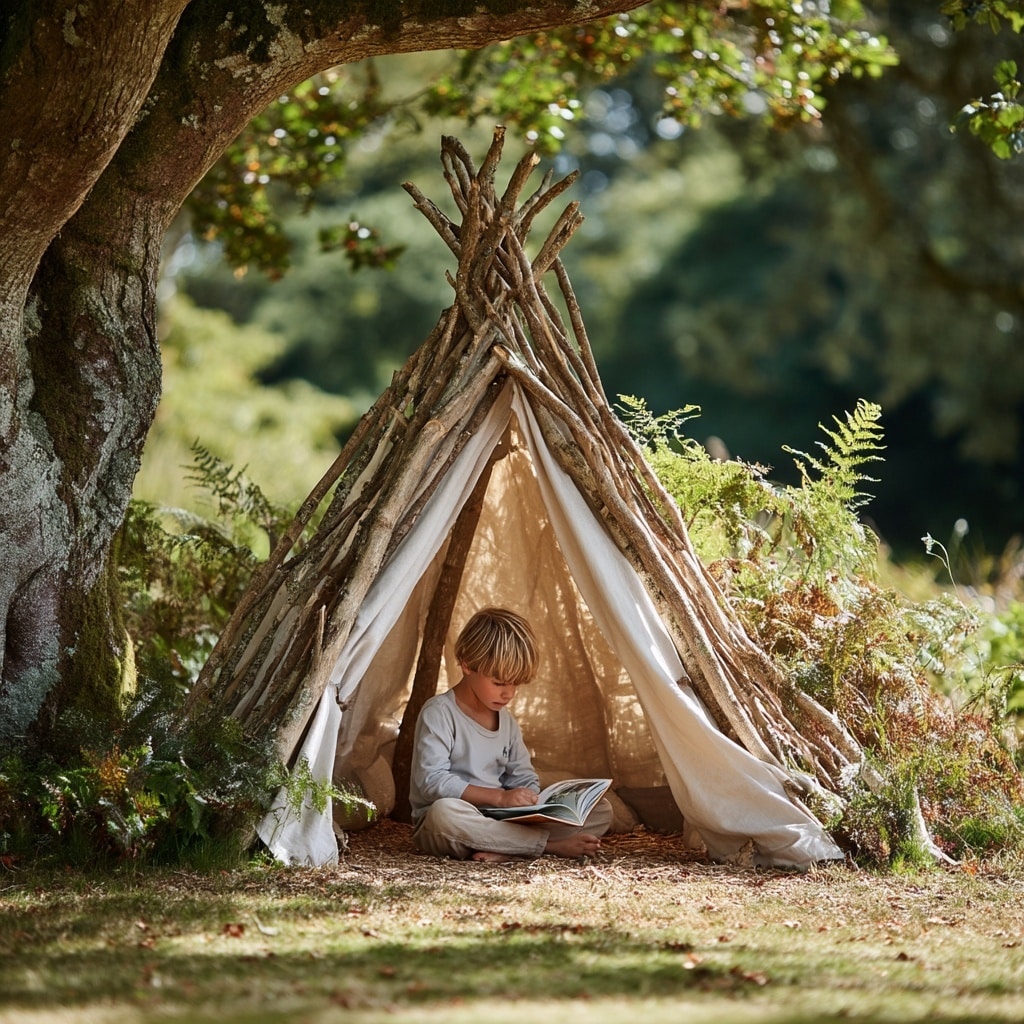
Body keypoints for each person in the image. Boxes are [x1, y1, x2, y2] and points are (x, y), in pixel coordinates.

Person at [410, 606, 612, 862]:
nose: (509, 694)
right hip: (453, 823)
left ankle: (504, 849)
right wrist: (499, 797)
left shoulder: (507, 722)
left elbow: (523, 776)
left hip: (499, 820)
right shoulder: (439, 712)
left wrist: (531, 802)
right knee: (443, 814)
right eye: (499, 683)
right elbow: (431, 782)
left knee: (601, 811)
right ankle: (549, 846)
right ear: (467, 665)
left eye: (516, 683)